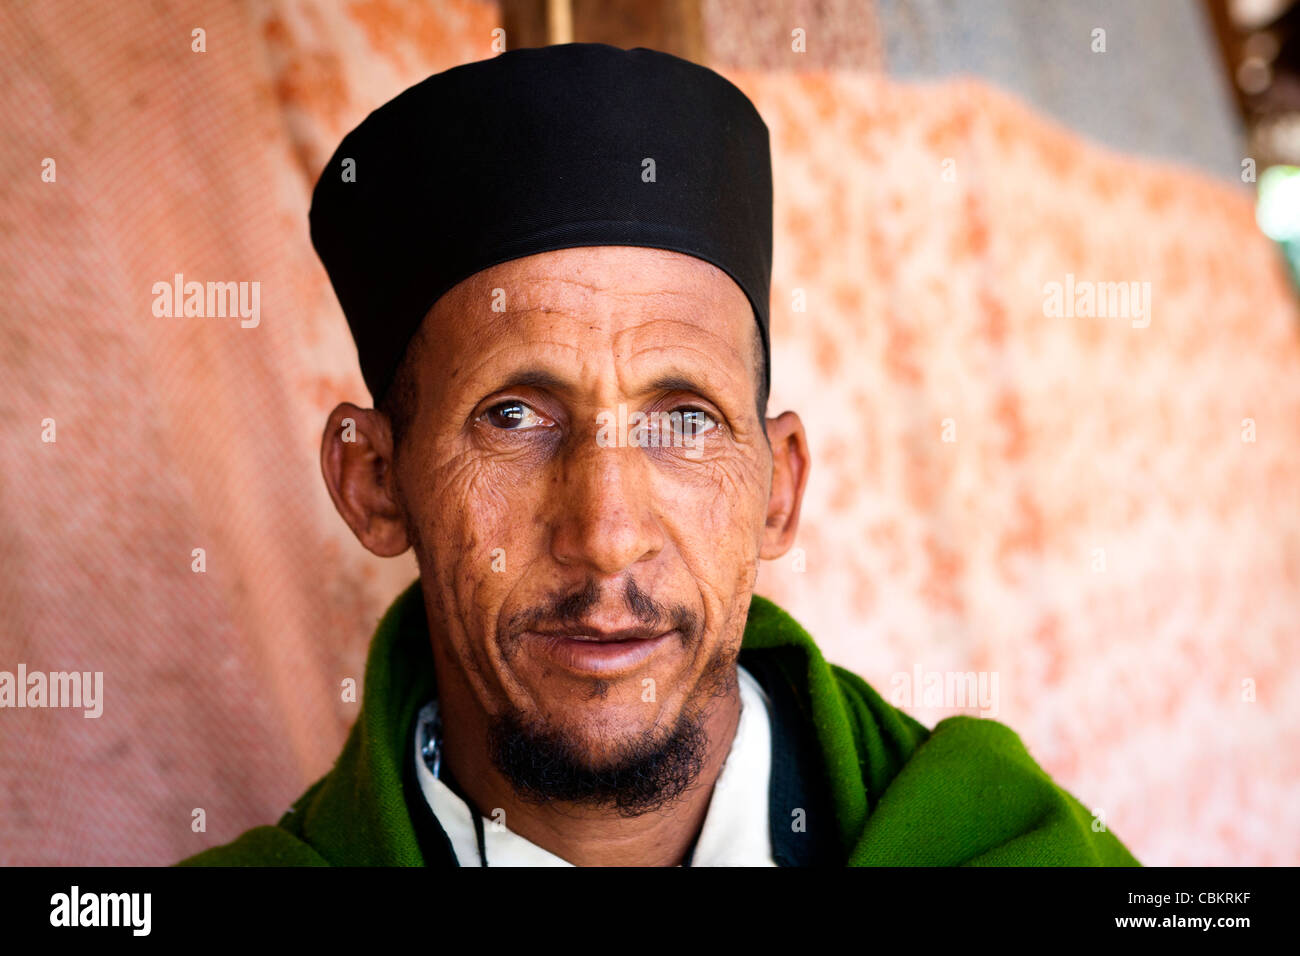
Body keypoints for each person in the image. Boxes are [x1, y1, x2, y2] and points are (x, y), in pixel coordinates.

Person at [179, 42, 1139, 867]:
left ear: (779, 488)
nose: (607, 535)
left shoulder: (1004, 843)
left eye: (684, 419)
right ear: (375, 483)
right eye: (513, 417)